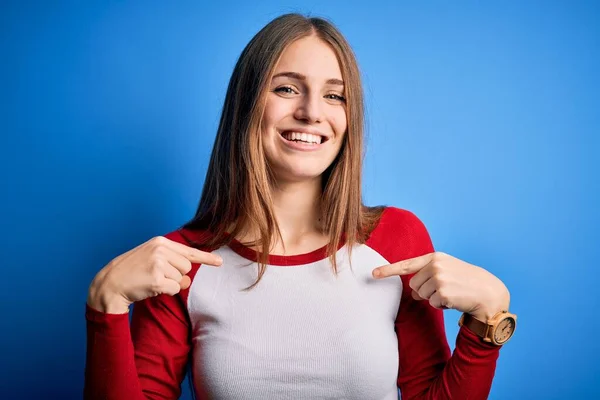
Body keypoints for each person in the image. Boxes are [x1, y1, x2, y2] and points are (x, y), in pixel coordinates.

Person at [84, 13, 516, 400]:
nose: (311, 112)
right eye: (287, 88)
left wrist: (488, 323)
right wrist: (106, 304)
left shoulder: (397, 239)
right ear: (247, 103)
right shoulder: (182, 261)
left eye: (334, 96)